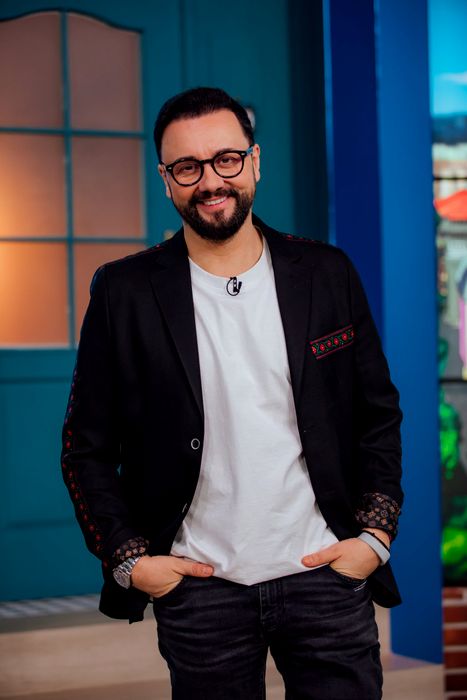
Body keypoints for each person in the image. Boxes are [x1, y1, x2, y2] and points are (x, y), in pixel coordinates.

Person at [61, 86, 403, 700]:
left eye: (226, 159)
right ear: (166, 180)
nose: (211, 181)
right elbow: (84, 448)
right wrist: (131, 559)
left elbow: (376, 414)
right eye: (187, 167)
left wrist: (373, 539)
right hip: (200, 589)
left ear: (254, 161)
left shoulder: (326, 272)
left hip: (325, 574)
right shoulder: (123, 292)